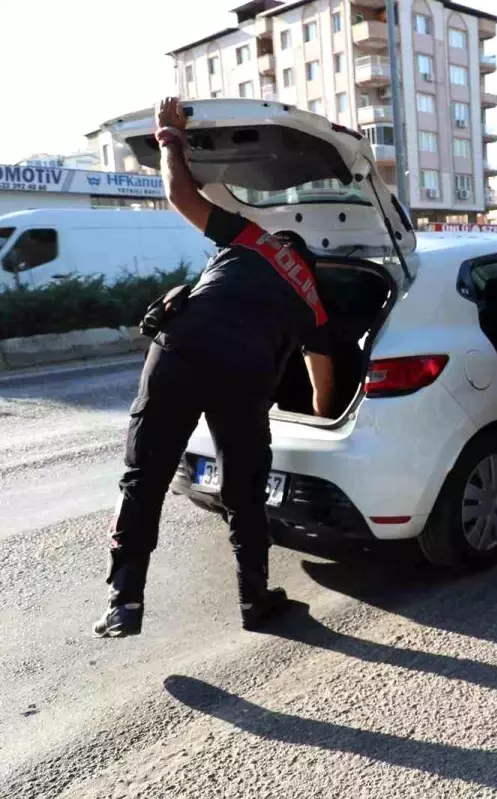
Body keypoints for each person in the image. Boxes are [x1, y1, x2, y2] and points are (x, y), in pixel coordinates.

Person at [93, 98, 336, 638]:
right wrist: (320, 416)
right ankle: (256, 602)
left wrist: (168, 137)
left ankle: (123, 602)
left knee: (143, 478)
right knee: (244, 491)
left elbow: (181, 194)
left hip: (179, 350)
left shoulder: (251, 238)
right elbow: (323, 382)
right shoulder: (313, 299)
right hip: (244, 374)